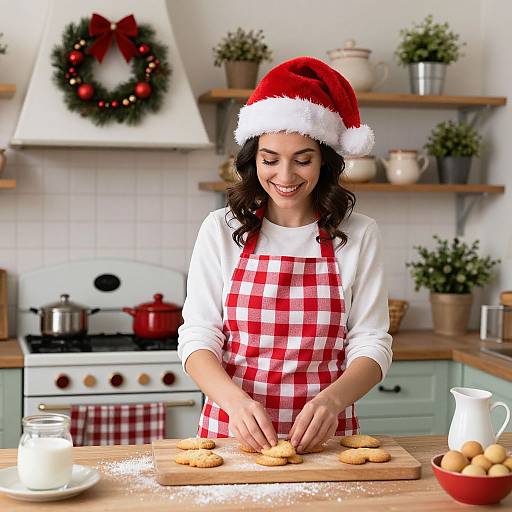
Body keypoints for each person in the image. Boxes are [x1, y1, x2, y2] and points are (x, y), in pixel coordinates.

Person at [178, 56, 393, 454]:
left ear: (324, 160)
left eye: (303, 160)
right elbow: (197, 337)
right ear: (253, 158)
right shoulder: (221, 229)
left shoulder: (359, 234)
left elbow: (371, 343)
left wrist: (332, 400)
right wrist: (235, 402)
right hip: (230, 435)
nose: (285, 176)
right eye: (270, 159)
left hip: (327, 441)